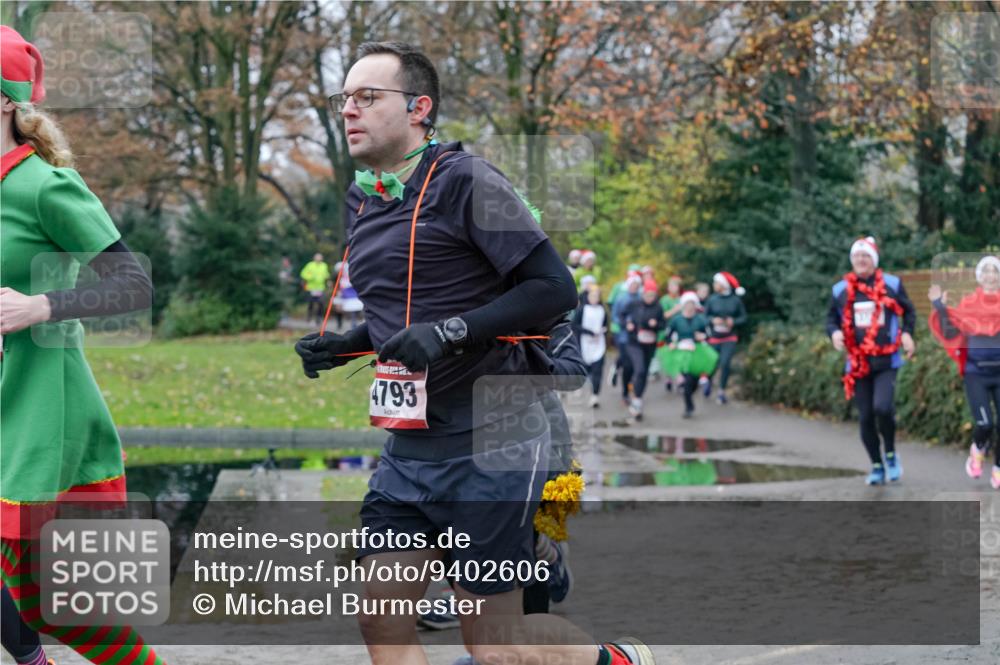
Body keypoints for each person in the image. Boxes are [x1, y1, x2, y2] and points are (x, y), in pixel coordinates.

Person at [293, 41, 652, 665]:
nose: (348, 110)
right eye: (343, 98)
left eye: (367, 97)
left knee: (495, 645)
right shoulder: (364, 199)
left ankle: (614, 661)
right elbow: (409, 312)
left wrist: (452, 332)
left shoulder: (467, 180)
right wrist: (348, 342)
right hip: (412, 443)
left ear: (418, 108)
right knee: (381, 617)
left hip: (495, 436)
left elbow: (552, 289)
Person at [0, 25, 164, 665]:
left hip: (40, 406)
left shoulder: (46, 187)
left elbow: (134, 284)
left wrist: (42, 304)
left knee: (49, 603)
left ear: (5, 101)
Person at [827, 237, 916, 486]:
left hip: (886, 360)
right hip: (857, 363)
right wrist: (834, 333)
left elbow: (908, 311)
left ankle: (890, 453)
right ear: (852, 260)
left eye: (866, 256)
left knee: (883, 408)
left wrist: (907, 334)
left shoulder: (892, 284)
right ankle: (876, 465)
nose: (861, 260)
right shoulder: (840, 290)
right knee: (865, 417)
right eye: (857, 256)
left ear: (874, 260)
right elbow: (830, 319)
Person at [928, 255, 1000, 489]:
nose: (991, 275)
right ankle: (978, 449)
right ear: (979, 277)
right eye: (986, 271)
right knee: (985, 424)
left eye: (995, 271)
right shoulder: (968, 304)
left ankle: (998, 468)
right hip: (975, 373)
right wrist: (939, 306)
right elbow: (950, 332)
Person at [662, 292, 713, 418]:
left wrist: (703, 337)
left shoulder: (701, 320)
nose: (689, 307)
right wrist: (671, 343)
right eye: (687, 304)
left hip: (697, 353)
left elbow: (710, 336)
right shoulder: (676, 320)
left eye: (692, 304)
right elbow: (667, 336)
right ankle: (688, 407)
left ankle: (694, 388)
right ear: (683, 305)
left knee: (693, 381)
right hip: (681, 354)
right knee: (687, 381)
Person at [624, 280, 667, 420]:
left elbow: (663, 325)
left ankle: (637, 400)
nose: (650, 298)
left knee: (644, 372)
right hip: (634, 342)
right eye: (648, 295)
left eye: (652, 295)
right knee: (640, 369)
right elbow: (622, 315)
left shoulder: (658, 307)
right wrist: (628, 323)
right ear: (643, 294)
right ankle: (632, 395)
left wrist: (655, 325)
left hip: (649, 343)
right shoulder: (634, 304)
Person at [704, 271, 747, 404]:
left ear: (723, 284)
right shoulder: (712, 299)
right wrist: (713, 320)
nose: (714, 285)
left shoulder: (735, 300)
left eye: (716, 282)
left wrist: (733, 321)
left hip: (729, 337)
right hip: (714, 337)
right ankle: (709, 382)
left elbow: (744, 317)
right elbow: (704, 317)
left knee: (725, 362)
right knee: (712, 363)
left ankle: (722, 391)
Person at [573, 285, 610, 408]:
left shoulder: (602, 310)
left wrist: (602, 331)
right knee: (584, 369)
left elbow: (606, 326)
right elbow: (575, 325)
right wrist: (589, 332)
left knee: (597, 371)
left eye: (596, 296)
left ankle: (595, 396)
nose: (594, 298)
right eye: (592, 296)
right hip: (584, 344)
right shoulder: (582, 309)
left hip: (598, 345)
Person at [610, 274, 642, 405]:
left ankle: (631, 388)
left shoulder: (641, 299)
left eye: (636, 285)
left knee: (636, 366)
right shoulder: (621, 299)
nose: (634, 287)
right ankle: (625, 392)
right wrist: (626, 324)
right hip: (623, 337)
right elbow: (615, 316)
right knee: (627, 365)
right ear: (628, 285)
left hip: (637, 338)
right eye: (632, 284)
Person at [659, 275, 684, 392]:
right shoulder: (665, 300)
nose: (673, 288)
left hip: (680, 331)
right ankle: (669, 377)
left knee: (679, 354)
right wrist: (675, 309)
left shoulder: (682, 299)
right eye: (671, 286)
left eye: (675, 286)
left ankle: (679, 379)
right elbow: (663, 315)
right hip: (668, 331)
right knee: (669, 354)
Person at [300, 252, 332, 324]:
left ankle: (318, 318)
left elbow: (326, 274)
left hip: (320, 288)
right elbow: (303, 274)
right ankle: (309, 316)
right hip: (311, 288)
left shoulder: (324, 265)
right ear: (314, 258)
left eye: (320, 257)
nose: (319, 259)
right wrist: (311, 278)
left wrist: (328, 281)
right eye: (317, 257)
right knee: (311, 303)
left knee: (320, 303)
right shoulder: (310, 265)